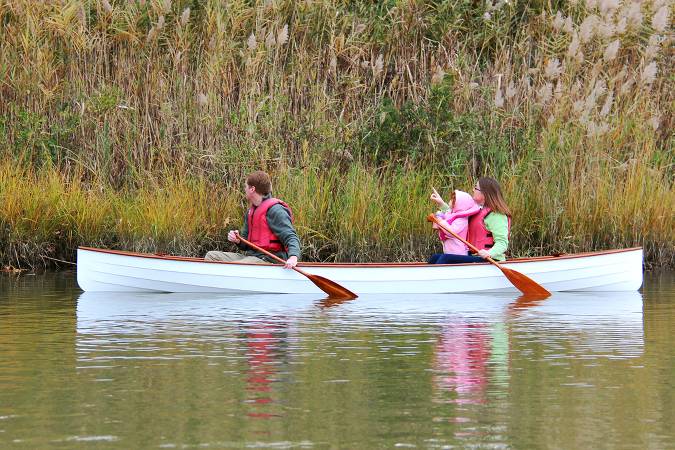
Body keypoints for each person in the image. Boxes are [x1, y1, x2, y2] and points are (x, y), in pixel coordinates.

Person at [205, 170, 300, 269]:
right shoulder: (251, 212)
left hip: (269, 260)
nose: (244, 189)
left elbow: (291, 237)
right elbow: (245, 244)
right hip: (251, 257)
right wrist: (238, 240)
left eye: (245, 187)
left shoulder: (276, 210)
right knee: (211, 256)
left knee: (239, 266)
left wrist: (293, 257)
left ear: (252, 189)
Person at [429, 177, 511, 264]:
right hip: (473, 256)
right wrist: (441, 204)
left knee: (445, 259)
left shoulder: (496, 215)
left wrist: (489, 253)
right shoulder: (477, 209)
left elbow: (502, 243)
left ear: (484, 193)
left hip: (491, 259)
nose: (473, 190)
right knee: (434, 258)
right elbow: (457, 214)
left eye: (476, 188)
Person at [428, 188, 481, 263]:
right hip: (450, 253)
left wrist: (440, 221)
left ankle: (437, 272)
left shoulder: (462, 220)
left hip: (458, 254)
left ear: (459, 205)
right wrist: (440, 208)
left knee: (443, 258)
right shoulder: (452, 214)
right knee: (434, 258)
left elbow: (451, 231)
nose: (450, 201)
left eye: (453, 200)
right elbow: (447, 212)